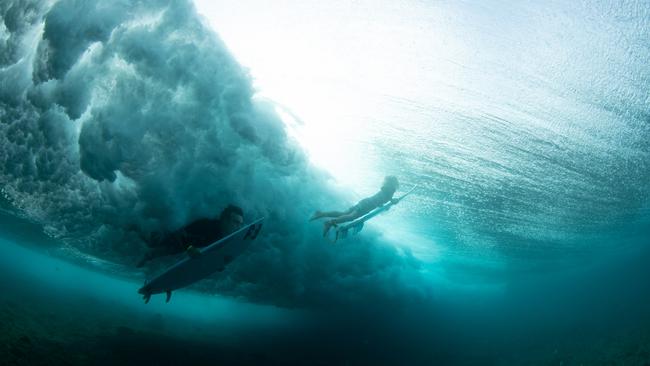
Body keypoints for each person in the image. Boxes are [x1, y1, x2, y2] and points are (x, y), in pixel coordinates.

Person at [136, 204, 244, 267]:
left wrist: (218, 264)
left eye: (240, 224)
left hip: (187, 245)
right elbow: (181, 234)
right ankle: (136, 227)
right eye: (235, 222)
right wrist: (190, 248)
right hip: (176, 237)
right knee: (152, 243)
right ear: (225, 220)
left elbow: (215, 251)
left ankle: (148, 255)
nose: (238, 227)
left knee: (168, 251)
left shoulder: (226, 235)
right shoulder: (206, 225)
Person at [310, 176, 399, 237]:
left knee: (344, 213)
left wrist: (387, 203)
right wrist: (392, 201)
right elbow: (382, 198)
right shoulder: (389, 191)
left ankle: (321, 214)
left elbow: (380, 200)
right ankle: (330, 222)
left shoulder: (386, 190)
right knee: (351, 217)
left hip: (365, 202)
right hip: (366, 206)